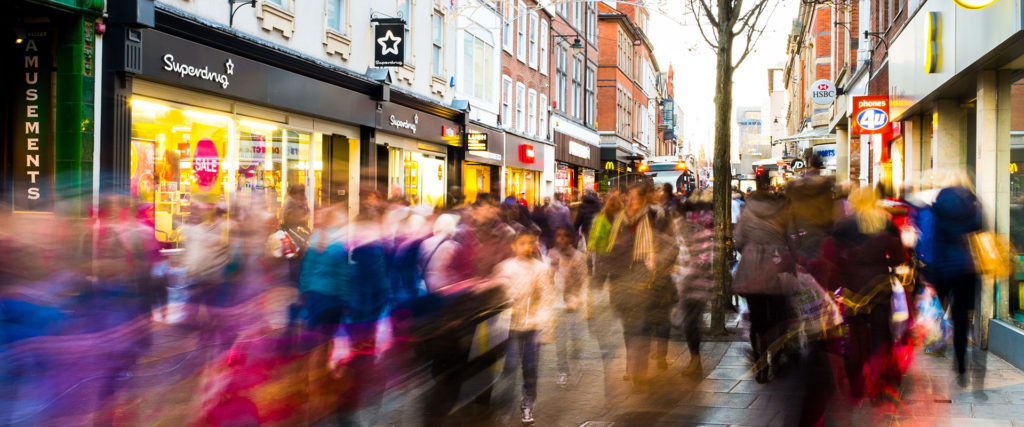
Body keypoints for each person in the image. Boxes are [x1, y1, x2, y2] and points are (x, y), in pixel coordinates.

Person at [733, 174, 793, 383]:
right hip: (778, 269)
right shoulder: (782, 210)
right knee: (778, 317)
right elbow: (791, 237)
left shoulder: (747, 211)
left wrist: (751, 250)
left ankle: (761, 366)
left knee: (757, 319)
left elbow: (738, 241)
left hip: (752, 271)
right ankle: (776, 357)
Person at [491, 231, 555, 423]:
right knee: (508, 365)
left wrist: (545, 326)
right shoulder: (504, 268)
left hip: (531, 326)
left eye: (530, 243)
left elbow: (547, 298)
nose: (526, 247)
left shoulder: (540, 269)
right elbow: (498, 294)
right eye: (522, 243)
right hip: (509, 326)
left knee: (530, 367)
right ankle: (504, 403)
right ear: (514, 246)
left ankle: (527, 403)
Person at [928, 177, 982, 383]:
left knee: (936, 311)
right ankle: (961, 362)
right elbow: (980, 234)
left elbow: (934, 243)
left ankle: (937, 341)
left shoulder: (939, 211)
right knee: (961, 318)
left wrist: (932, 277)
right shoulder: (973, 211)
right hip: (967, 270)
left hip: (943, 269)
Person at [606, 184, 656, 389]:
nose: (630, 202)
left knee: (642, 326)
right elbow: (610, 248)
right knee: (629, 326)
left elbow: (664, 245)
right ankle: (632, 364)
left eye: (634, 198)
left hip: (644, 276)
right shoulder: (620, 219)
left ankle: (640, 371)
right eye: (628, 198)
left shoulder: (653, 217)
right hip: (622, 277)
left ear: (644, 200)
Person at [679, 191, 715, 376]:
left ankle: (695, 360)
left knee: (690, 322)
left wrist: (685, 275)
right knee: (692, 321)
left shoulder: (689, 227)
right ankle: (695, 359)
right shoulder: (706, 226)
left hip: (692, 282)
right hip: (699, 281)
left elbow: (696, 256)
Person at [548, 227, 588, 386]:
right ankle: (562, 370)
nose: (562, 239)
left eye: (565, 236)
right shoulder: (551, 255)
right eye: (558, 236)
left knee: (576, 336)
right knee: (560, 340)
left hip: (573, 303)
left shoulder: (579, 257)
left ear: (571, 238)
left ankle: (577, 362)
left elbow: (583, 279)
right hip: (557, 304)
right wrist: (553, 267)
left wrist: (577, 298)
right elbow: (547, 278)